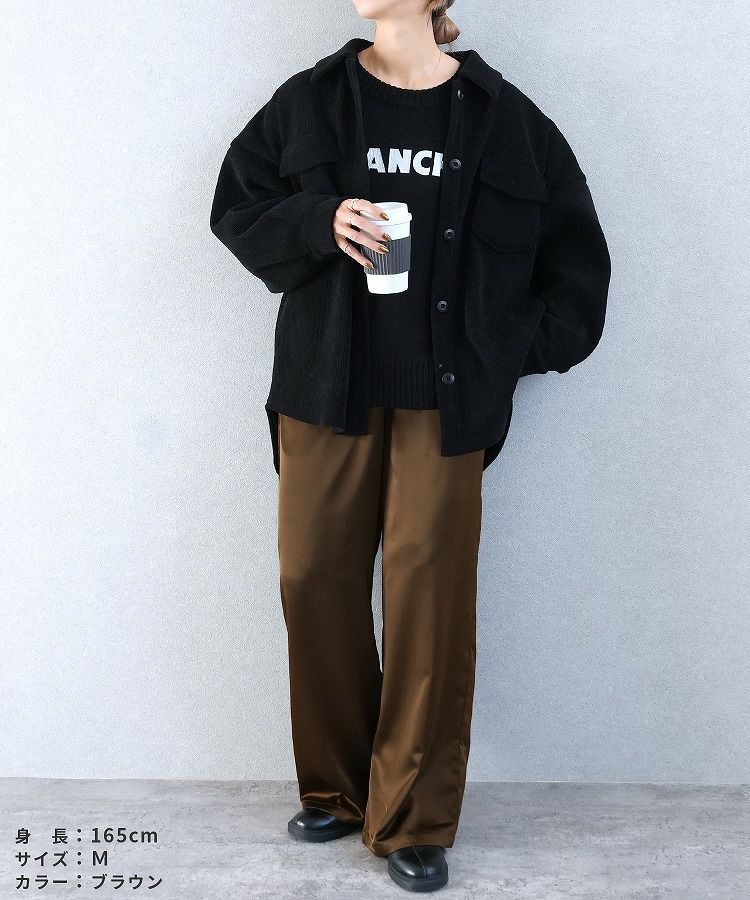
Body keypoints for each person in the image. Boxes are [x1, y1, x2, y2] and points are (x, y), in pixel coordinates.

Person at [210, 0, 611, 892]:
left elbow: (577, 265)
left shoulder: (508, 120)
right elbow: (237, 206)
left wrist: (503, 352)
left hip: (447, 403)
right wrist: (320, 221)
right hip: (326, 388)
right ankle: (341, 788)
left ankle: (414, 819)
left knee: (431, 596)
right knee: (312, 577)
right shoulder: (312, 101)